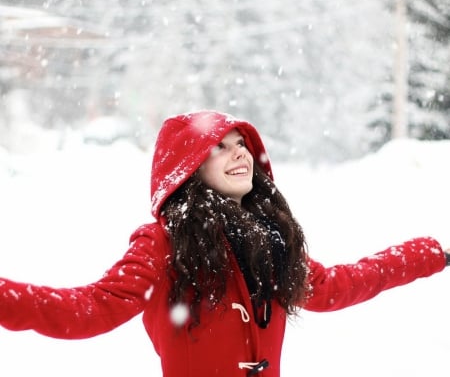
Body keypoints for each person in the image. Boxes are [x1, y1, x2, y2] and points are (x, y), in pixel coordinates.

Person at [0, 109, 449, 377]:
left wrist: (433, 252)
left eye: (242, 144)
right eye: (220, 146)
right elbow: (92, 308)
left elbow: (336, 286)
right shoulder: (163, 241)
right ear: (188, 166)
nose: (240, 153)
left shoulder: (272, 240)